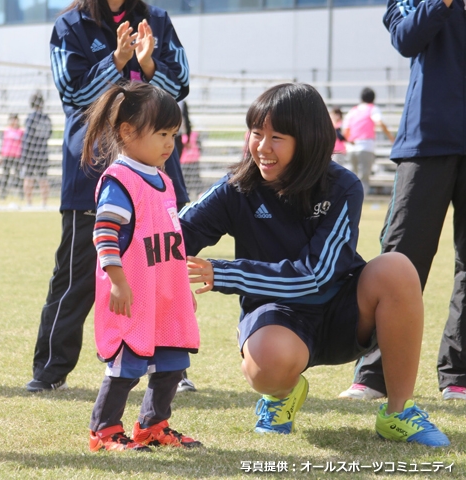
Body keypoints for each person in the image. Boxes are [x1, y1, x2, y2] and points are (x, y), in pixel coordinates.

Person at [180, 83, 449, 447]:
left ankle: (398, 413)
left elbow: (317, 275)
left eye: (277, 137)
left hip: (342, 313)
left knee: (397, 268)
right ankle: (282, 395)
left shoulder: (342, 186)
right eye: (256, 133)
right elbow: (175, 236)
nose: (262, 147)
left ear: (307, 140)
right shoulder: (237, 187)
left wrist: (224, 272)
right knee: (266, 364)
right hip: (277, 314)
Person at [27, 0, 190, 393]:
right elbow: (74, 94)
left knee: (162, 271)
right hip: (92, 169)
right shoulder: (70, 25)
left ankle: (170, 369)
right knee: (77, 275)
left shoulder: (159, 20)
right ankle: (50, 371)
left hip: (156, 173)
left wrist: (149, 66)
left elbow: (179, 87)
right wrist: (117, 60)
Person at [339, 0, 466, 402]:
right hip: (426, 140)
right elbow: (406, 37)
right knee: (401, 257)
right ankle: (374, 374)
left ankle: (458, 374)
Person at [84, 82, 201, 452]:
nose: (170, 143)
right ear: (127, 132)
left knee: (171, 363)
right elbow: (104, 233)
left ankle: (153, 425)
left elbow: (171, 241)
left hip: (164, 296)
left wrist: (181, 289)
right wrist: (117, 281)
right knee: (126, 367)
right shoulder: (120, 181)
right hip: (133, 295)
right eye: (161, 133)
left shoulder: (164, 181)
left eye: (173, 134)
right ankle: (104, 431)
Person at [342, 87, 394, 195]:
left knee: (352, 177)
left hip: (351, 147)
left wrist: (349, 140)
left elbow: (345, 129)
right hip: (365, 146)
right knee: (364, 178)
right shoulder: (372, 108)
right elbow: (379, 122)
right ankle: (361, 201)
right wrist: (391, 137)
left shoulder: (353, 110)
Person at [19, 93, 52, 207]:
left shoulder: (30, 118)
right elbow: (49, 134)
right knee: (43, 178)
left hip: (30, 153)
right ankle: (44, 203)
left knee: (28, 178)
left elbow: (27, 137)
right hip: (42, 152)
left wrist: (23, 155)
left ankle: (29, 202)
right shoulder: (47, 118)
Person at [0, 113, 23, 199]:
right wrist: (1, 156)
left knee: (18, 176)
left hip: (16, 156)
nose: (14, 121)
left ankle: (21, 194)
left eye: (15, 119)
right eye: (12, 119)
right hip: (7, 155)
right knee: (5, 175)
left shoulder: (21, 131)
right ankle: (3, 194)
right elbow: (3, 144)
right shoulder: (6, 131)